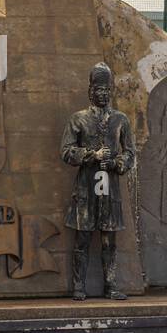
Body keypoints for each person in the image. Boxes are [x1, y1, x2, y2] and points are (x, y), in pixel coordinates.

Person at [60, 62, 135, 300]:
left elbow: (130, 152)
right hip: (86, 187)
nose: (103, 94)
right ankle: (79, 286)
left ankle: (111, 285)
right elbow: (66, 151)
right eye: (98, 90)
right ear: (90, 91)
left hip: (110, 188)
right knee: (82, 238)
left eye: (106, 90)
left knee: (108, 240)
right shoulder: (78, 119)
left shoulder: (121, 120)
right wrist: (92, 155)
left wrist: (116, 162)